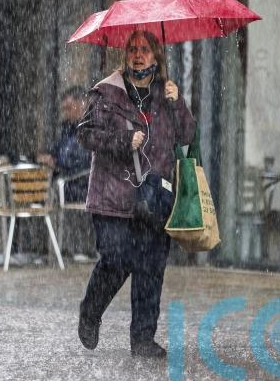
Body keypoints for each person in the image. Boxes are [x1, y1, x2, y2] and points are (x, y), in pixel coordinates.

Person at [76, 29, 196, 359]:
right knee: (116, 259)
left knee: (150, 267)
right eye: (132, 49)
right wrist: (120, 142)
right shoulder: (107, 91)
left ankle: (143, 339)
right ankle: (91, 310)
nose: (137, 55)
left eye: (144, 49)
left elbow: (187, 136)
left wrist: (178, 102)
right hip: (112, 198)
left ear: (157, 55)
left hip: (155, 197)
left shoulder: (166, 95)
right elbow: (84, 134)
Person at [37, 86, 94, 257]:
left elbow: (85, 159)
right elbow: (57, 150)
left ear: (82, 104)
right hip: (65, 182)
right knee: (33, 191)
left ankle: (60, 247)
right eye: (64, 109)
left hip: (83, 185)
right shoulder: (67, 129)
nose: (66, 113)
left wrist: (58, 162)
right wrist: (46, 156)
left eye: (69, 108)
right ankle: (47, 247)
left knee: (45, 193)